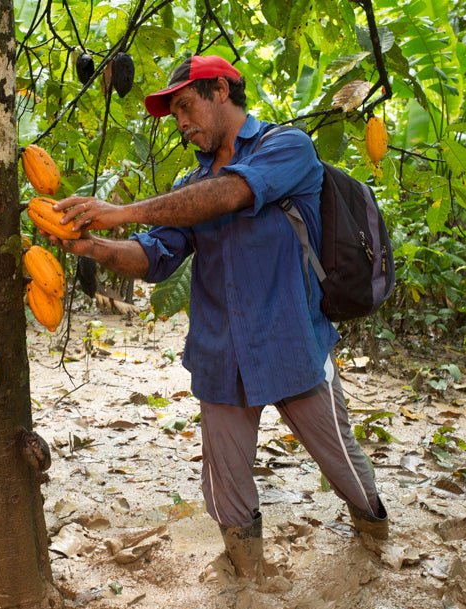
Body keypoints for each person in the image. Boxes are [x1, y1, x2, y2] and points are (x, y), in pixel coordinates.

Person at [45, 55, 389, 581]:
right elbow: (154, 259)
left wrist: (122, 210)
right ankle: (248, 587)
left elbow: (232, 192)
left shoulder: (287, 147)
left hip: (293, 343)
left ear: (222, 91)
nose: (181, 123)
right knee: (227, 491)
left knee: (344, 469)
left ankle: (375, 547)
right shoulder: (190, 184)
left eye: (186, 106)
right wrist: (93, 245)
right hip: (221, 354)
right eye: (174, 113)